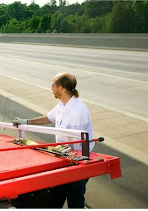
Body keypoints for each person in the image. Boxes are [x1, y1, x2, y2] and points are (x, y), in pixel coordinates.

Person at [13, 72, 93, 208]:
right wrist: (26, 121)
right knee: (58, 194)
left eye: (53, 85)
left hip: (77, 162)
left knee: (75, 198)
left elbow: (76, 145)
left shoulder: (77, 112)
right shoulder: (63, 104)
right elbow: (48, 118)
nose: (51, 88)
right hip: (64, 159)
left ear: (61, 88)